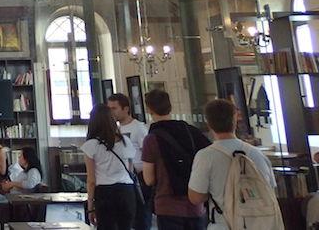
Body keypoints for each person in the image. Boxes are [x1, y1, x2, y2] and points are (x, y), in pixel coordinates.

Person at [187, 99, 277, 230]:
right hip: (260, 224)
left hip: (224, 224)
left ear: (208, 123)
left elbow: (195, 197)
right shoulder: (257, 154)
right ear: (235, 120)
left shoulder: (206, 156)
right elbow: (269, 189)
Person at [141, 89, 210, 230]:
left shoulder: (151, 139)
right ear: (170, 107)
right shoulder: (191, 131)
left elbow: (149, 179)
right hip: (195, 202)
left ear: (149, 109)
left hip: (167, 205)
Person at [82, 104, 137, 230]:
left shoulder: (91, 145)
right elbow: (130, 169)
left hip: (105, 193)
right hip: (127, 191)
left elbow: (91, 180)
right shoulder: (125, 141)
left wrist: (90, 206)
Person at [107, 93, 151, 230]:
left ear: (126, 109)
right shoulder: (115, 129)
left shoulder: (139, 128)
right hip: (122, 179)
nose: (111, 112)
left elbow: (148, 153)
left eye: (114, 108)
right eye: (109, 108)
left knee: (141, 216)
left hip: (139, 176)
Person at [0, 147, 43, 216]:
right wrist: (8, 185)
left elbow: (30, 184)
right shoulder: (24, 171)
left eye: (20, 155)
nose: (19, 157)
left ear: (26, 158)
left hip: (13, 202)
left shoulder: (33, 171)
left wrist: (12, 184)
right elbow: (15, 185)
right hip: (8, 197)